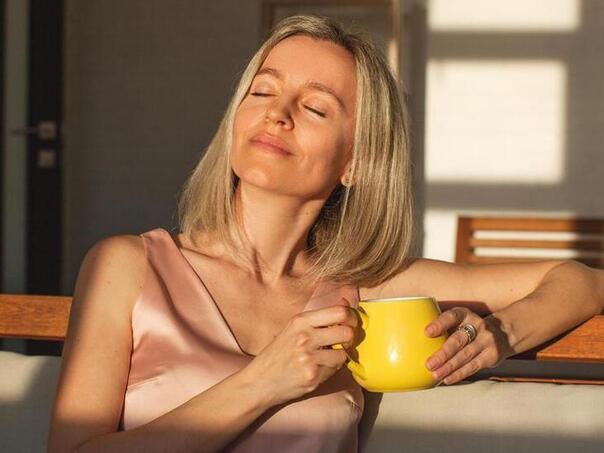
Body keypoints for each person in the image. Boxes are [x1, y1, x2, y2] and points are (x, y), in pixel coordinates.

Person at [48, 15, 604, 453]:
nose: (278, 114)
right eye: (262, 92)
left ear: (355, 162)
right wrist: (262, 382)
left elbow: (582, 281)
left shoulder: (365, 290)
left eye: (315, 107)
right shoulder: (127, 266)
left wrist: (501, 333)